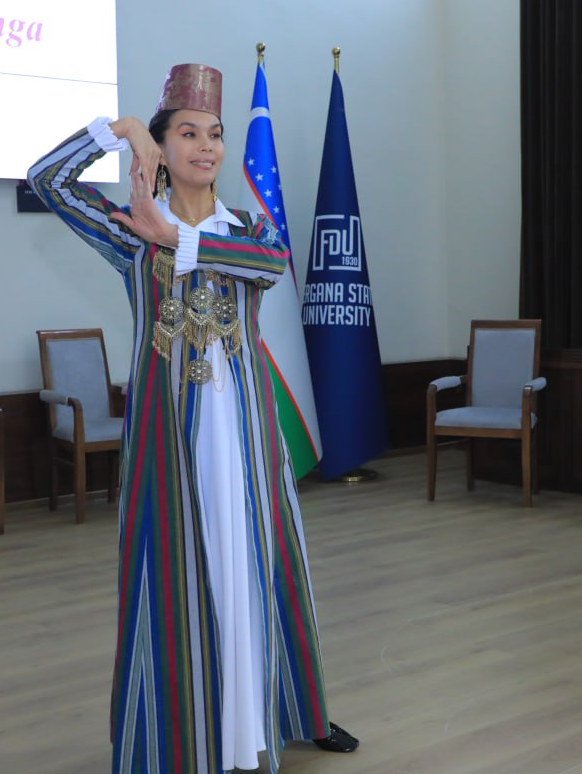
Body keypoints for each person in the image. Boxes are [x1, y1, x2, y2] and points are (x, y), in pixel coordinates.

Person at [27, 63, 357, 773]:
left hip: (245, 431)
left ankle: (278, 713)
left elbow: (270, 265)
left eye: (215, 134)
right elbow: (46, 180)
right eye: (186, 133)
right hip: (169, 433)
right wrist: (116, 132)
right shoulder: (131, 230)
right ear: (162, 144)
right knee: (175, 565)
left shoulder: (248, 229)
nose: (205, 146)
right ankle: (186, 731)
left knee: (262, 564)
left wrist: (179, 239)